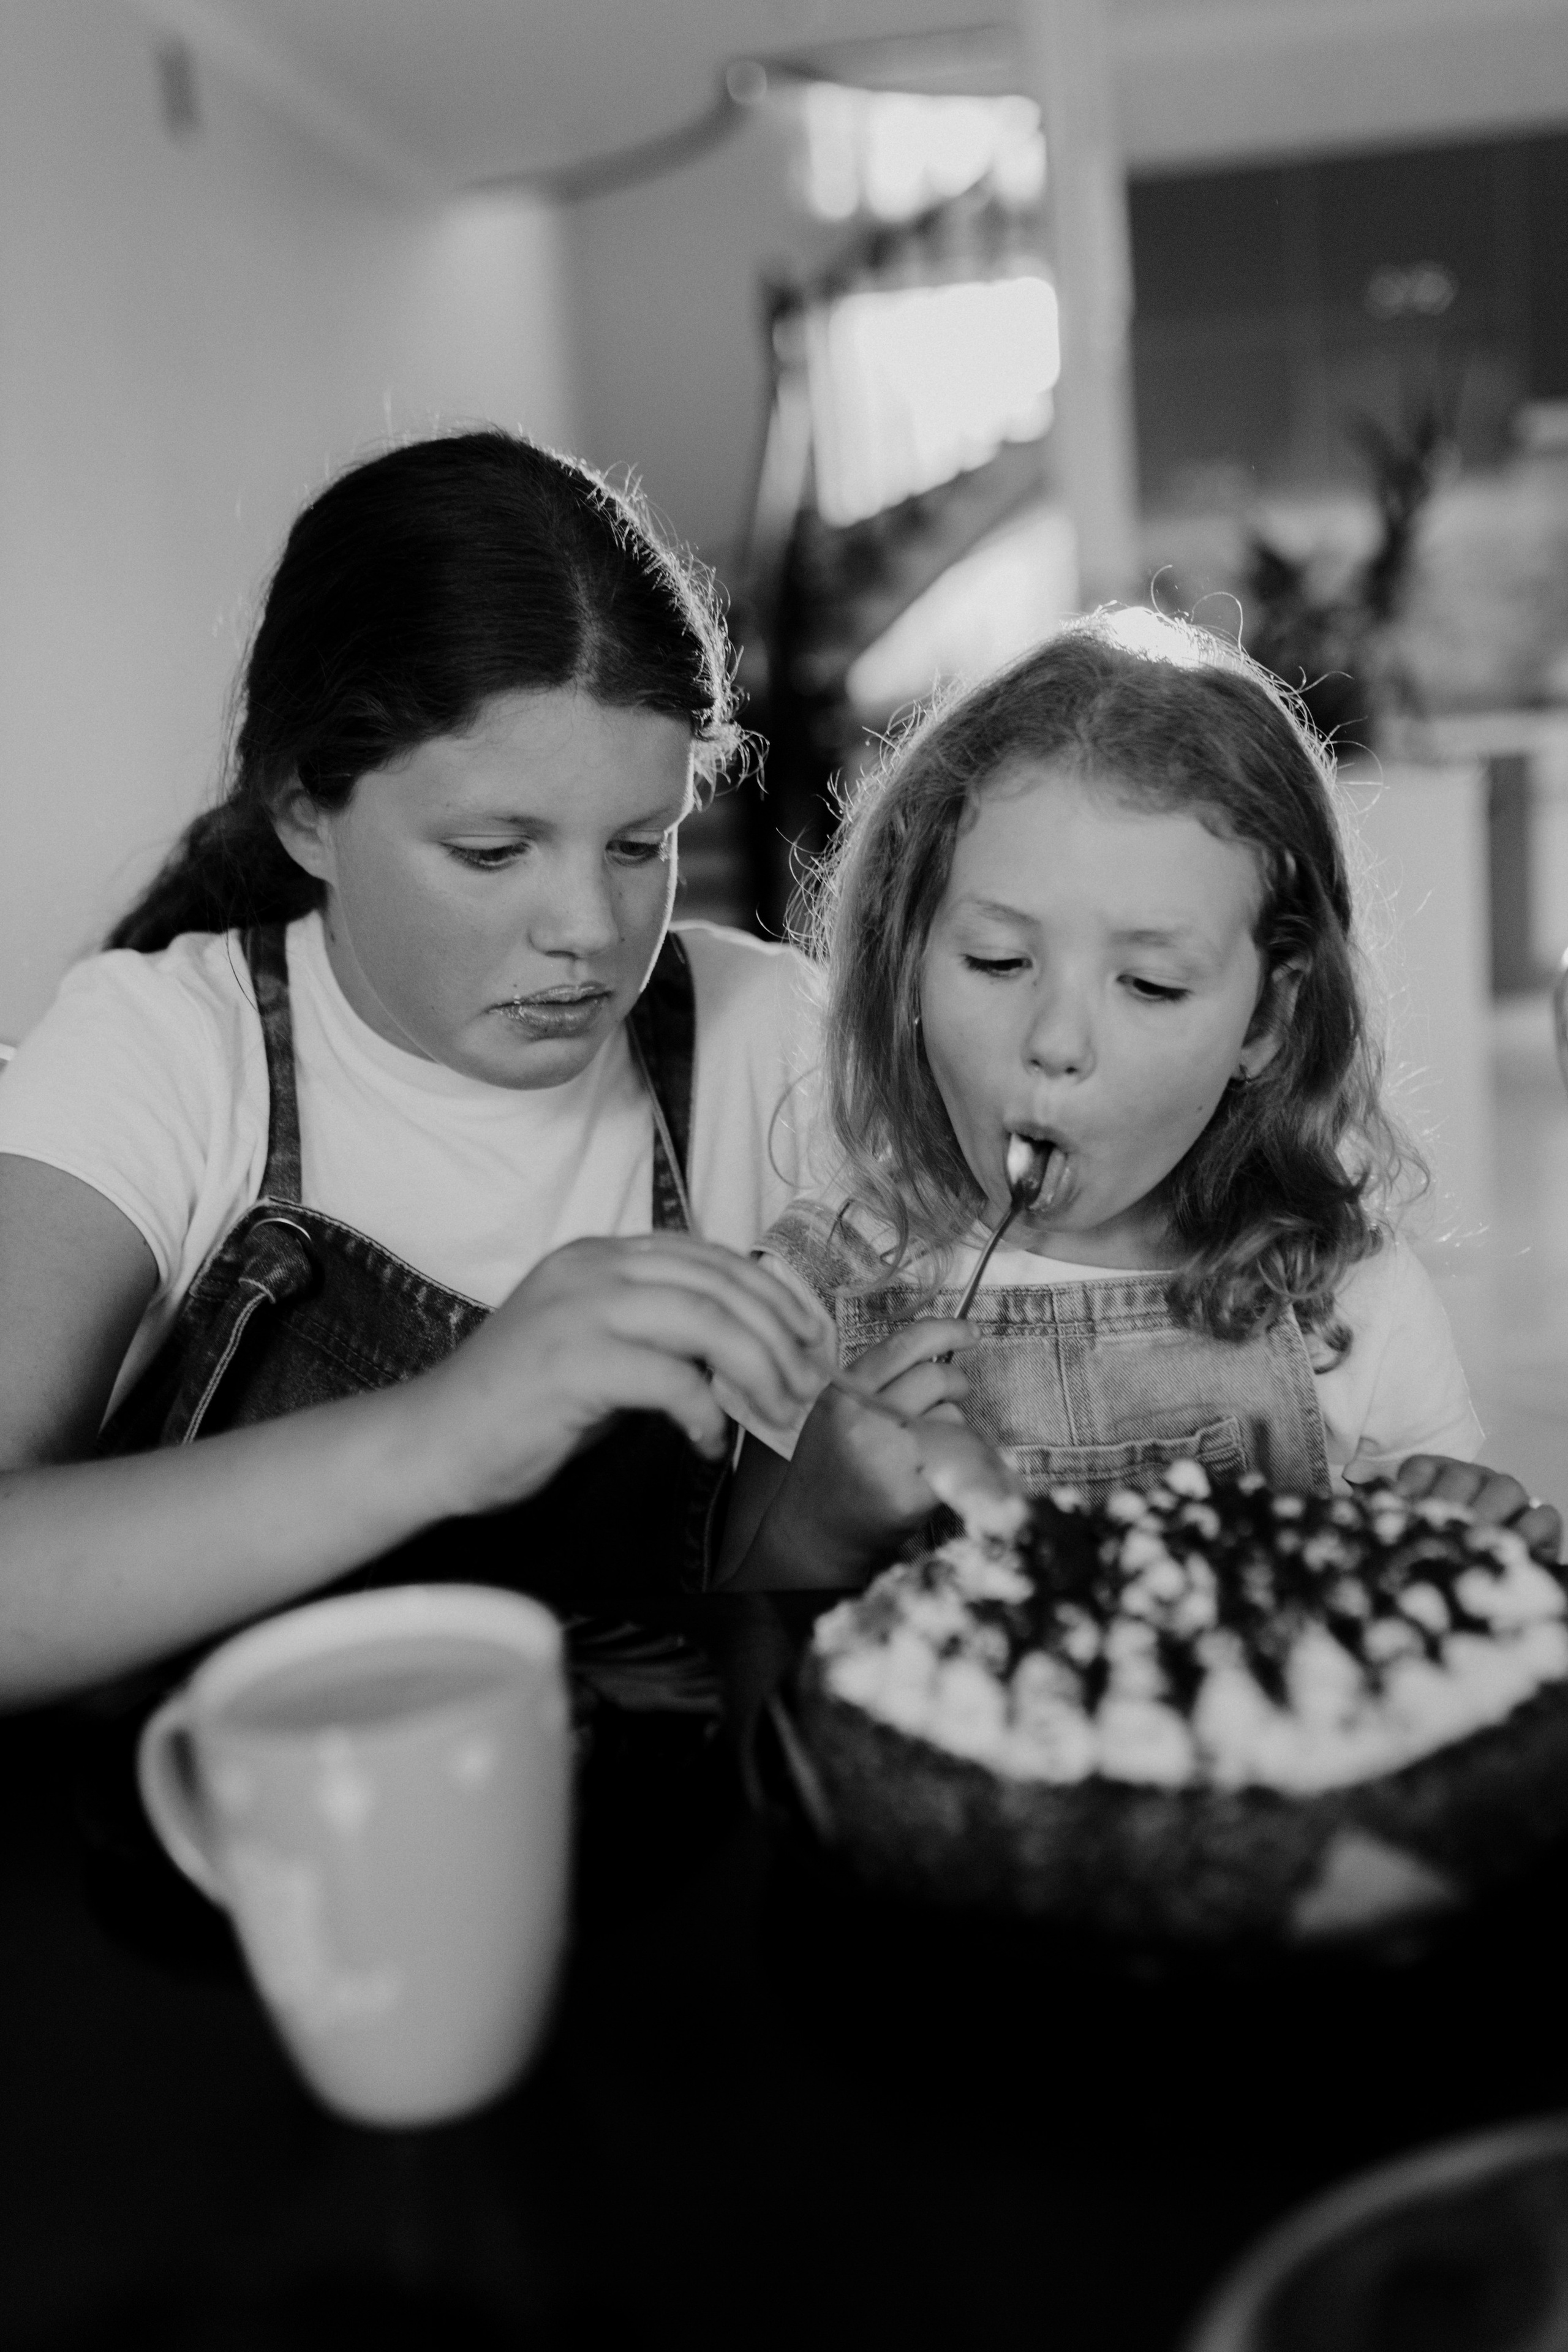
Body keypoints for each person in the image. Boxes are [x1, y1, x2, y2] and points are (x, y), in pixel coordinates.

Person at [0, 431, 835, 1709]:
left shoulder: (768, 1039)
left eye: (637, 844)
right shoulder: (163, 1053)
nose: (589, 929)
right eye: (495, 852)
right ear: (305, 816)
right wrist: (449, 1430)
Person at [717, 611, 1561, 1588]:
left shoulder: (1351, 1306)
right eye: (998, 961)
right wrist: (813, 1531)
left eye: (1151, 986)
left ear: (1265, 1022)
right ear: (907, 963)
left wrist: (1466, 1552)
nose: (1058, 1044)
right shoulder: (819, 1296)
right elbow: (734, 1683)